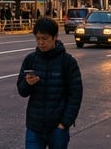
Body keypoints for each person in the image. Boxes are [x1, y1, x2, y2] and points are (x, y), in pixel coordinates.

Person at [17, 17, 82, 149]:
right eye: (38, 38)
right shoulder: (30, 60)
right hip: (34, 125)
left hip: (57, 127)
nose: (41, 42)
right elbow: (21, 91)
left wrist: (64, 123)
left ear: (55, 37)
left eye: (45, 38)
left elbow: (75, 95)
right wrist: (27, 83)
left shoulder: (67, 62)